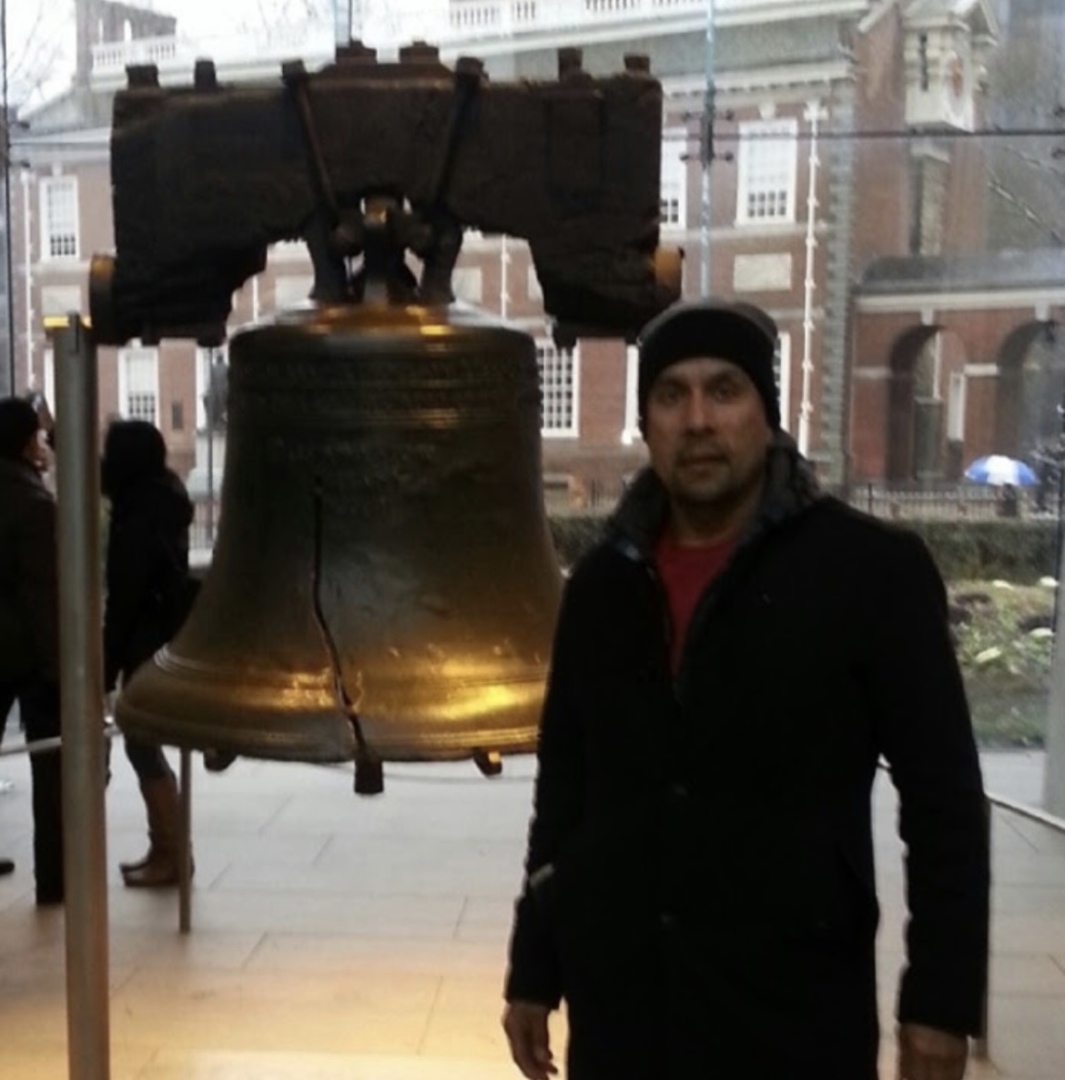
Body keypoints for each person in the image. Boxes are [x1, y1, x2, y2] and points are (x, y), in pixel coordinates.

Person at [502, 300, 990, 1080]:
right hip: (626, 1011)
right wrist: (533, 965)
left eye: (724, 391)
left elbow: (944, 805)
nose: (697, 420)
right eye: (671, 396)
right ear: (648, 423)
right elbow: (566, 790)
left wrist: (939, 998)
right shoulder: (601, 584)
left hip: (789, 1013)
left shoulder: (868, 574)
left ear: (765, 415)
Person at [102, 419, 194, 888]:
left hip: (143, 640)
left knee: (141, 744)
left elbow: (125, 595)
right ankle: (167, 850)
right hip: (159, 636)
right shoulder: (165, 499)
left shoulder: (137, 513)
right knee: (145, 745)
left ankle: (172, 854)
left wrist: (107, 662)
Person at [0, 396, 64, 906]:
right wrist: (56, 664)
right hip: (25, 650)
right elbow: (45, 593)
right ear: (27, 442)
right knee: (50, 767)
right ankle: (54, 878)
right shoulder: (34, 504)